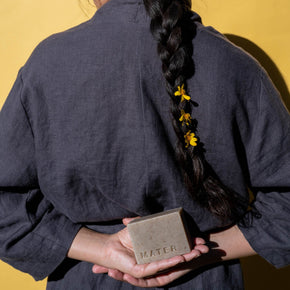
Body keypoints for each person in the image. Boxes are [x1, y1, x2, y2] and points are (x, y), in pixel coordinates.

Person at [0, 0, 289, 289]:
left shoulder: (46, 64)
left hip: (89, 278)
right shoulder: (233, 63)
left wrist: (102, 249)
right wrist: (198, 252)